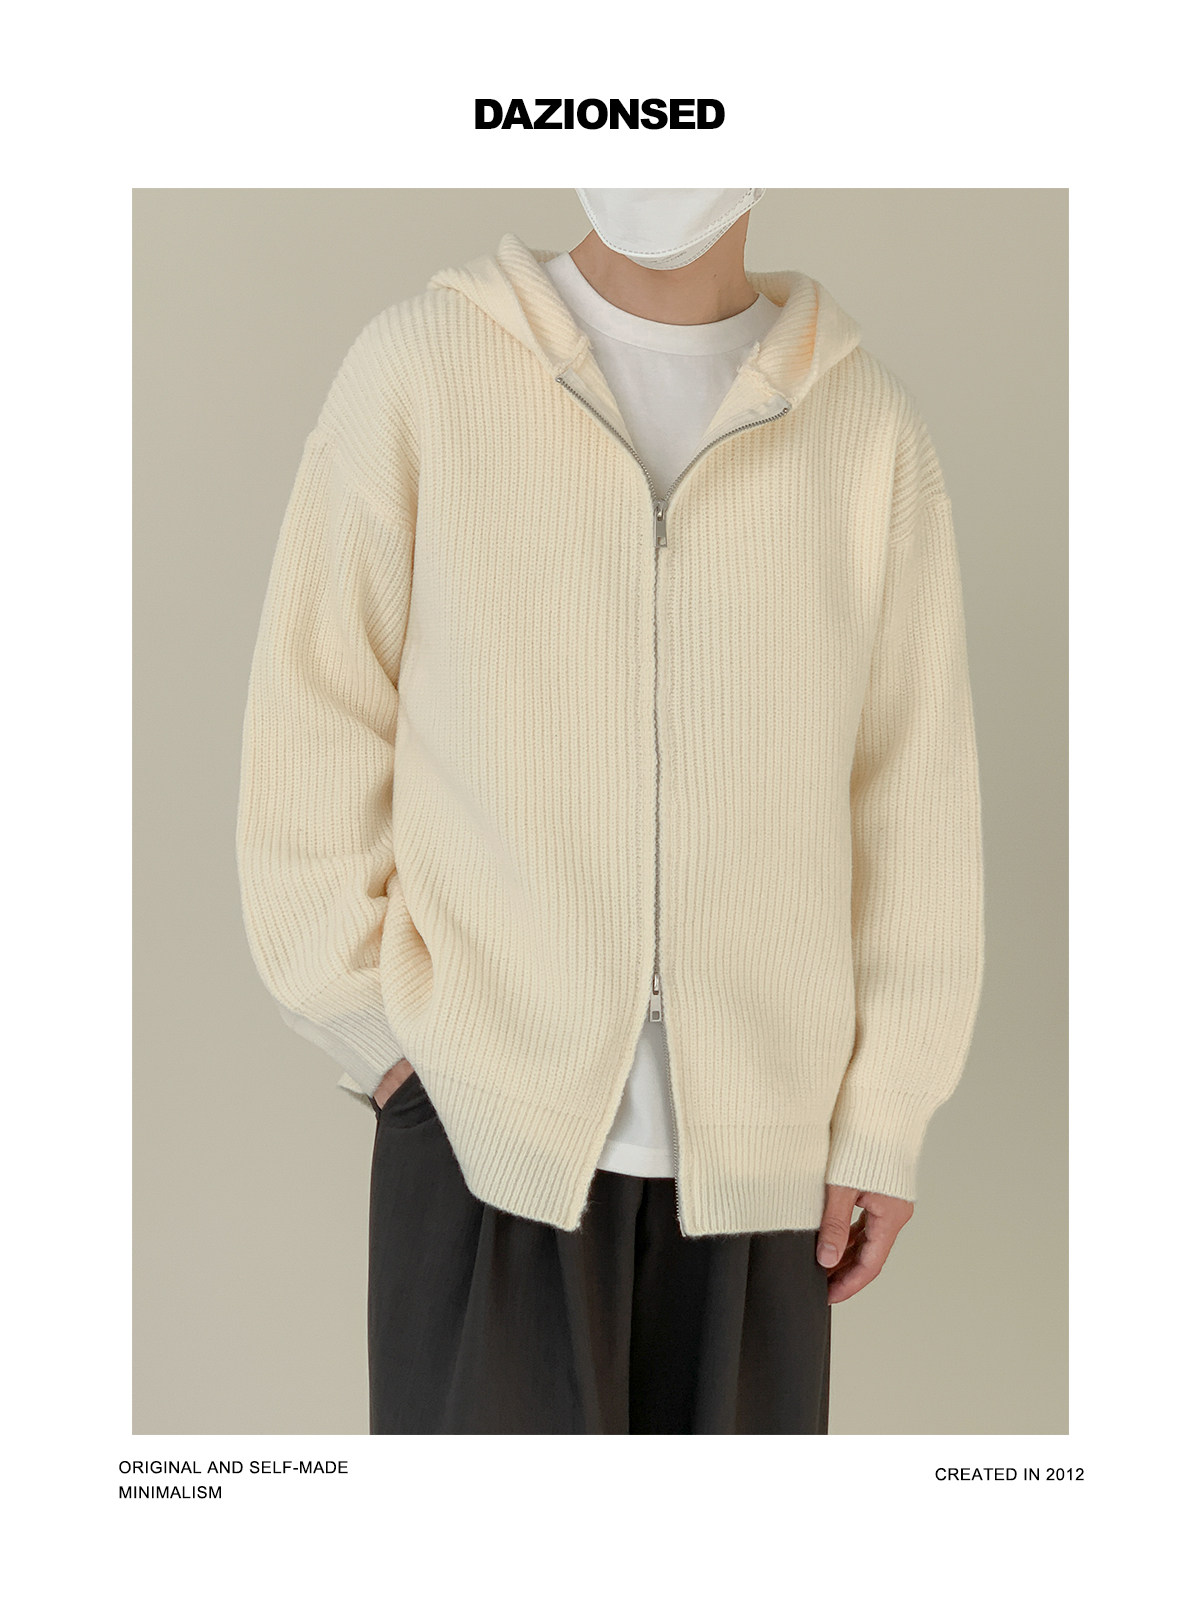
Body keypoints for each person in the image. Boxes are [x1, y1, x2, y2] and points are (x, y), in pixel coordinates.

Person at [236, 189, 985, 1434]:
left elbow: (913, 796)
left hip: (767, 1168)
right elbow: (316, 715)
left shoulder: (864, 427)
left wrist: (884, 1115)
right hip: (480, 1134)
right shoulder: (425, 366)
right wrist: (392, 1051)